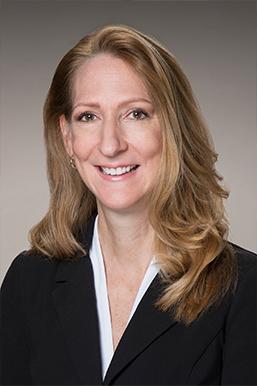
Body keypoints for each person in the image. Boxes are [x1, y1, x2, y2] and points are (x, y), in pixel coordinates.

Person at [0, 24, 256, 386]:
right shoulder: (28, 282)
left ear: (172, 128)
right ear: (67, 137)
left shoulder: (243, 289)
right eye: (88, 116)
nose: (110, 144)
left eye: (135, 113)